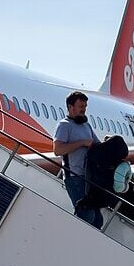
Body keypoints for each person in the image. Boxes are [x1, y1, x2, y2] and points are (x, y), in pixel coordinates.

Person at [53, 91, 102, 228]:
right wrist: (81, 143)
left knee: (98, 220)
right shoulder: (64, 125)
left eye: (85, 106)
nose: (84, 110)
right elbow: (58, 150)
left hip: (88, 177)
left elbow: (96, 144)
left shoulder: (86, 125)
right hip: (74, 177)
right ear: (70, 107)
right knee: (87, 216)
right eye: (81, 106)